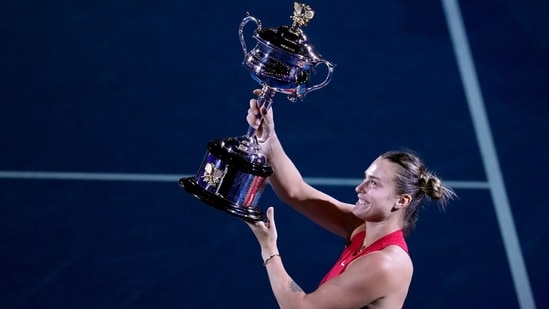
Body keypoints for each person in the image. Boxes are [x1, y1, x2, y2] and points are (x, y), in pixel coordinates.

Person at [245, 89, 456, 309]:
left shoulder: (385, 263)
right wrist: (269, 138)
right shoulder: (363, 228)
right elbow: (296, 192)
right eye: (365, 178)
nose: (359, 188)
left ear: (401, 201)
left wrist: (269, 249)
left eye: (373, 183)